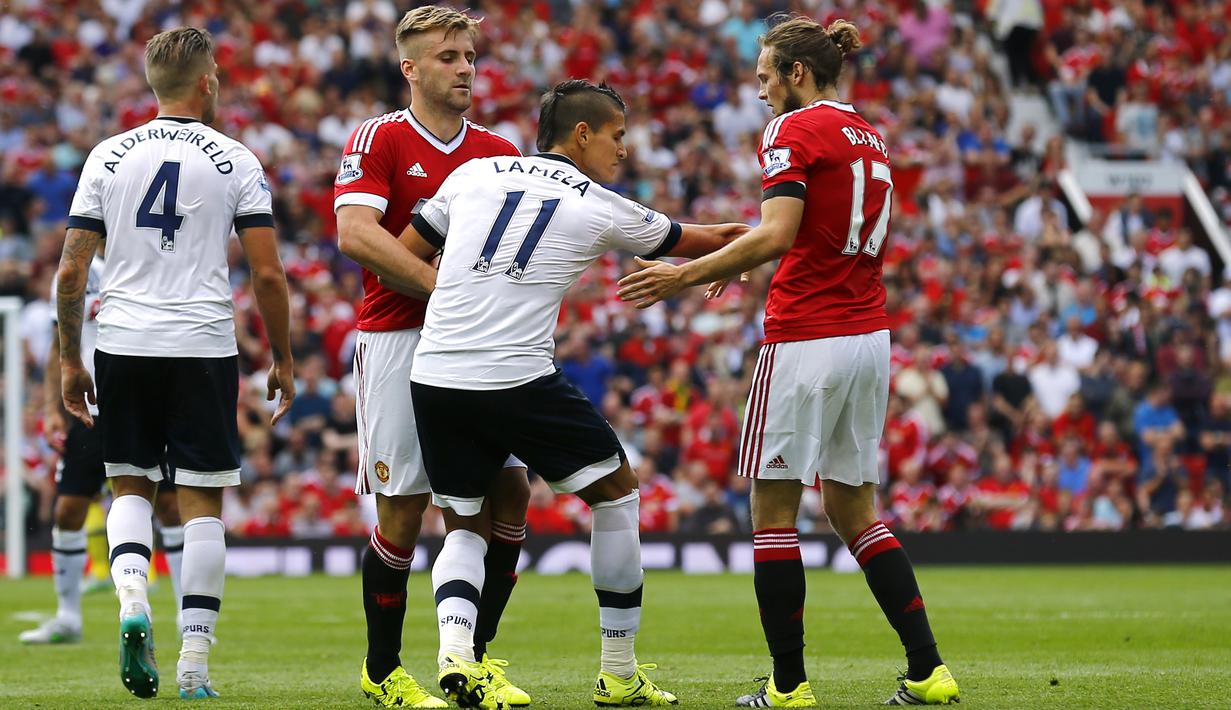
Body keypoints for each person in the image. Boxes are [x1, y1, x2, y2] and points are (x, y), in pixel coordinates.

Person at [617, 15, 960, 707]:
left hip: (806, 335)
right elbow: (812, 228)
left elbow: (779, 234)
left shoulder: (792, 130)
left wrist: (681, 274)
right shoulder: (868, 131)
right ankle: (928, 670)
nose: (762, 92)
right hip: (868, 336)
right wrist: (738, 249)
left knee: (771, 512)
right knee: (854, 510)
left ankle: (787, 686)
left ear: (796, 74)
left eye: (766, 77)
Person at [390, 79, 746, 707]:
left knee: (464, 527)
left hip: (437, 370)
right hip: (516, 375)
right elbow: (693, 240)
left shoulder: (473, 174)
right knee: (617, 495)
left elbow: (407, 254)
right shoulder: (600, 204)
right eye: (617, 136)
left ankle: (456, 656)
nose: (624, 150)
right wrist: (753, 240)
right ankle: (617, 670)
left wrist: (471, 294)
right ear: (581, 134)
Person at [56, 27, 294, 699]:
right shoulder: (236, 158)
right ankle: (194, 663)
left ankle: (133, 601)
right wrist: (282, 357)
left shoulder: (108, 155)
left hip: (123, 342)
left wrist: (73, 360)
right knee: (202, 505)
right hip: (201, 345)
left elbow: (72, 272)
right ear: (207, 82)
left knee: (128, 486)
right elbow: (268, 276)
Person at [332, 7, 531, 707]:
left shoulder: (500, 151)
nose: (465, 68)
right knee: (403, 513)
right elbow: (357, 236)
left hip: (481, 346)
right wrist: (442, 288)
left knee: (505, 495)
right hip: (398, 341)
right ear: (410, 69)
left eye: (469, 55)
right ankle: (382, 671)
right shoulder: (379, 139)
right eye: (447, 57)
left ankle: (473, 658)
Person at [20, 247, 186, 646]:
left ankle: (186, 614)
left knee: (168, 506)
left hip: (146, 402)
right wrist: (52, 407)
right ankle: (68, 616)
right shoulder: (76, 270)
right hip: (89, 408)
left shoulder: (149, 258)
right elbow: (58, 345)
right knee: (69, 509)